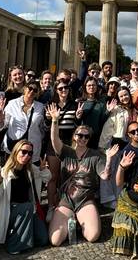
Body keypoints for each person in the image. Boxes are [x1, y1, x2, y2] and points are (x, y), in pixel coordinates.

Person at [46, 105, 112, 245]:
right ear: (74, 137)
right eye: (79, 135)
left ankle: (79, 220)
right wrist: (54, 120)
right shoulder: (66, 151)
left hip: (85, 200)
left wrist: (109, 159)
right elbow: (54, 139)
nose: (83, 138)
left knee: (92, 236)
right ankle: (72, 219)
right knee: (55, 241)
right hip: (66, 200)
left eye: (86, 136)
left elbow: (105, 176)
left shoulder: (95, 156)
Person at [0, 139, 49, 255]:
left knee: (43, 239)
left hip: (29, 209)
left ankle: (22, 236)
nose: (27, 156)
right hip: (11, 210)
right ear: (16, 152)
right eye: (24, 152)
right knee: (27, 206)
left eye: (30, 153)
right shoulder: (4, 172)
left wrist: (43, 169)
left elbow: (47, 178)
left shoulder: (30, 169)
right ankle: (14, 246)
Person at [0, 82, 45, 159]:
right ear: (24, 89)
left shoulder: (40, 107)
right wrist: (0, 118)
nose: (32, 91)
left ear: (37, 93)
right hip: (14, 146)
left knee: (31, 170)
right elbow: (4, 125)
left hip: (32, 147)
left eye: (35, 90)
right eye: (30, 88)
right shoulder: (12, 103)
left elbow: (42, 128)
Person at [76, 76, 108, 148]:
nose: (91, 87)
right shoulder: (80, 102)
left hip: (95, 137)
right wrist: (78, 117)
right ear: (85, 87)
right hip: (82, 136)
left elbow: (102, 121)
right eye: (89, 85)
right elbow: (76, 123)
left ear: (97, 87)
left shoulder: (101, 103)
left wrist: (108, 111)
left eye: (93, 85)